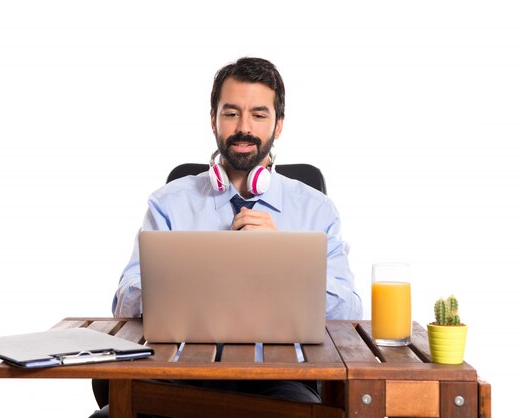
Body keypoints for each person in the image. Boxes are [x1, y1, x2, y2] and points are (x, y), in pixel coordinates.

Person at [90, 57, 362, 418]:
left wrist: (281, 260)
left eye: (259, 115)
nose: (243, 127)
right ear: (213, 120)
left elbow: (349, 313)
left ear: (278, 125)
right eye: (231, 113)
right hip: (179, 374)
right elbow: (124, 302)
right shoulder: (168, 202)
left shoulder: (317, 209)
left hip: (280, 380)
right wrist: (186, 275)